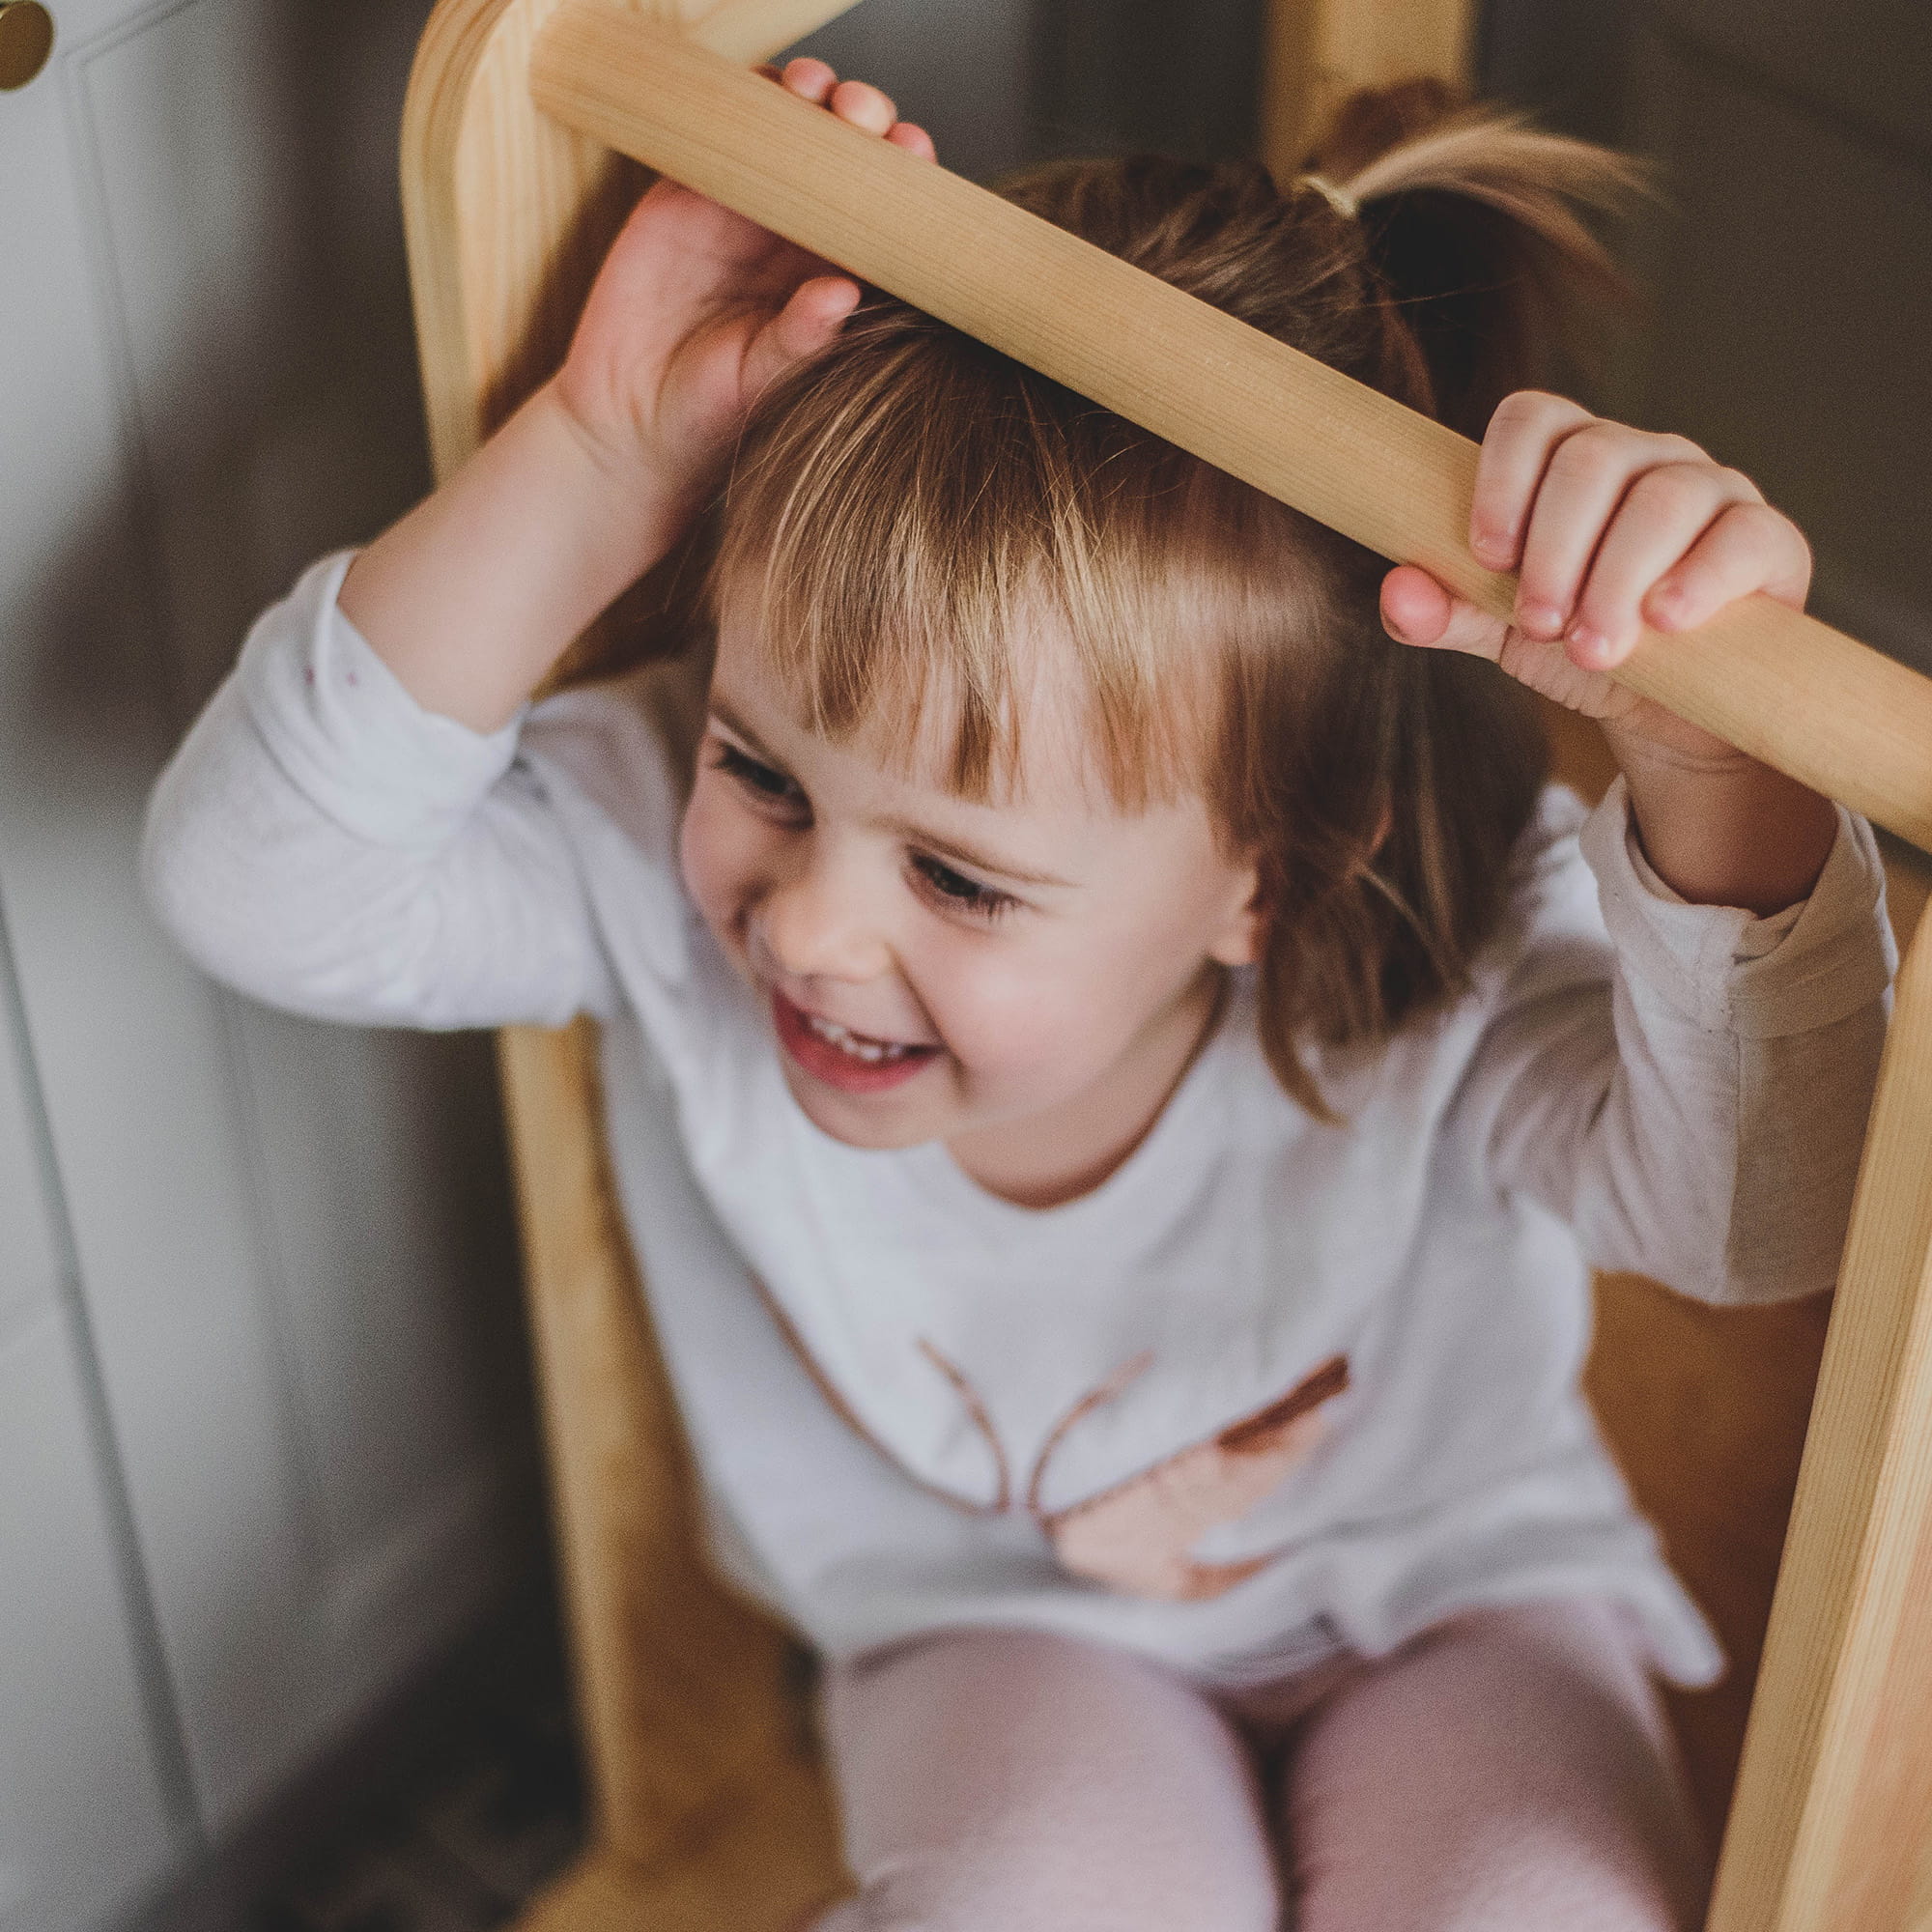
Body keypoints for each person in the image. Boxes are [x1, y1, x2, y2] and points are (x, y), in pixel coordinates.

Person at [143, 58, 1894, 1932]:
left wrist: (1722, 768)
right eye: (765, 770)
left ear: (1264, 875)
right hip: (993, 1630)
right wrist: (593, 457)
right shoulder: (655, 847)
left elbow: (1771, 1216)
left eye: (962, 875)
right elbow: (257, 878)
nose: (808, 924)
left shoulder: (1429, 946)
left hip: (1450, 1590)